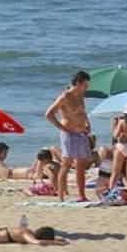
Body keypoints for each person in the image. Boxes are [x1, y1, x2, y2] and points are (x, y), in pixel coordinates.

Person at [45, 71, 93, 201]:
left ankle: (82, 195)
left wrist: (88, 124)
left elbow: (83, 112)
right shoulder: (65, 96)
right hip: (69, 133)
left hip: (81, 133)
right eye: (85, 85)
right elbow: (49, 114)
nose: (87, 88)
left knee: (81, 165)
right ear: (78, 83)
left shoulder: (81, 95)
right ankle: (61, 196)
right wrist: (62, 128)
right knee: (66, 163)